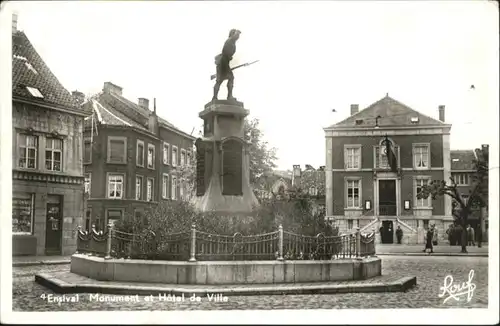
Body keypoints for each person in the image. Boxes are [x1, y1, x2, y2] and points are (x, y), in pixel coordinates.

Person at [213, 29, 241, 101]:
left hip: (224, 63)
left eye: (239, 35)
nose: (238, 36)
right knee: (228, 78)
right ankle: (229, 96)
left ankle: (216, 97)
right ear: (232, 34)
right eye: (237, 35)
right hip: (223, 63)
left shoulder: (232, 43)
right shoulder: (230, 41)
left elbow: (227, 54)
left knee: (220, 80)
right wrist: (226, 68)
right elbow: (225, 54)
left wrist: (229, 57)